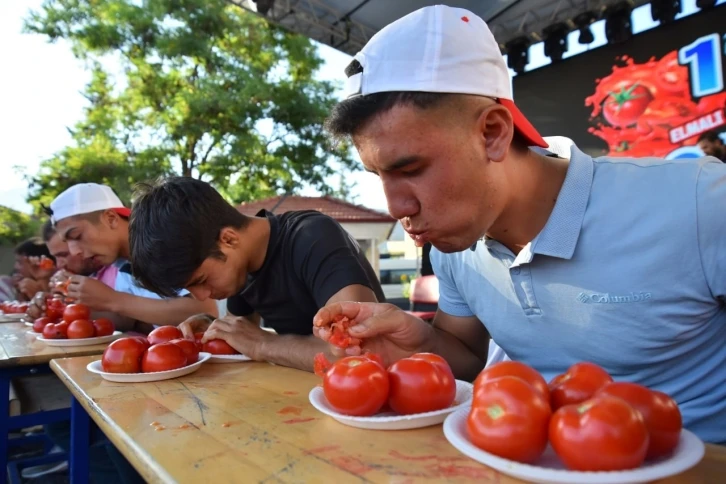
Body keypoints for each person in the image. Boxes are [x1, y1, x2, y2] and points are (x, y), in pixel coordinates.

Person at [314, 5, 726, 444]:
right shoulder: (456, 245)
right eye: (379, 176)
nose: (395, 206)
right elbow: (469, 357)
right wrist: (419, 344)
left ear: (492, 132)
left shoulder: (700, 201)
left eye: (411, 169)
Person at [128, 176, 385, 372]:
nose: (202, 295)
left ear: (228, 239)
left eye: (201, 281)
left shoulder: (312, 236)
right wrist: (214, 329)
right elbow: (244, 335)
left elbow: (359, 352)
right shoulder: (242, 269)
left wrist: (263, 344)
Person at [48, 182, 218, 327]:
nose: (74, 251)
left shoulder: (160, 240)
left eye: (77, 236)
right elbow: (132, 320)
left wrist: (112, 300)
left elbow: (205, 311)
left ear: (111, 218)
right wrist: (64, 309)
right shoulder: (120, 263)